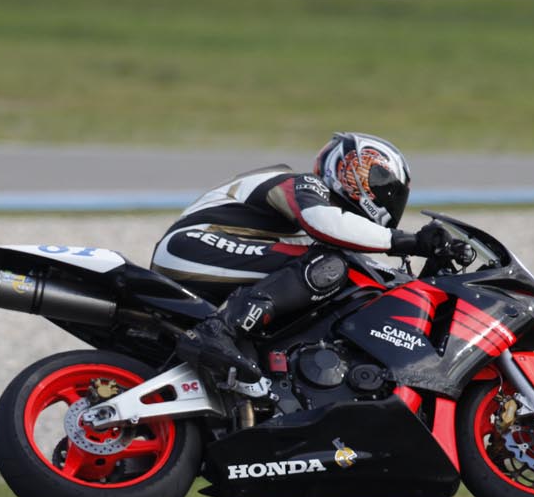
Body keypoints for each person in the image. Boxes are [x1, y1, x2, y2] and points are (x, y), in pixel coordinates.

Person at [151, 131, 461, 383]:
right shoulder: (303, 185)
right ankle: (218, 331)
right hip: (193, 245)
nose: (386, 195)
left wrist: (434, 268)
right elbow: (323, 222)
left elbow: (380, 288)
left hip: (215, 257)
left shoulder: (329, 230)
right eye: (379, 181)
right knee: (331, 266)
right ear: (349, 169)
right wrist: (407, 241)